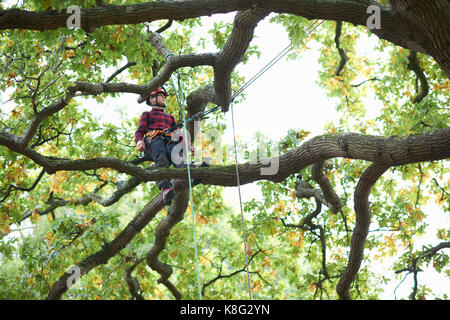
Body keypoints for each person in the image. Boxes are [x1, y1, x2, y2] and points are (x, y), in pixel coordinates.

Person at [135, 86, 189, 205]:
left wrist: (188, 145)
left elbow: (178, 134)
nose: (164, 98)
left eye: (164, 96)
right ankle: (165, 189)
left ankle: (190, 174)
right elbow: (139, 131)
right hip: (153, 141)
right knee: (161, 155)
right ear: (152, 99)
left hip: (169, 141)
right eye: (161, 95)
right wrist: (139, 141)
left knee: (176, 151)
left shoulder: (170, 117)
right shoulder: (146, 115)